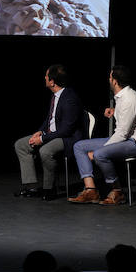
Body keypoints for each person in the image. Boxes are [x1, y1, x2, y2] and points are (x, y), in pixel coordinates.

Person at [68, 65, 136, 205]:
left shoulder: (130, 98)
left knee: (100, 154)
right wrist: (115, 111)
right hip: (124, 140)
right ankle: (90, 190)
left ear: (115, 81)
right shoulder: (122, 96)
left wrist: (98, 151)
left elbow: (122, 133)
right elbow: (127, 118)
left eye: (110, 77)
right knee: (79, 146)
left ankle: (117, 191)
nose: (109, 79)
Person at [14, 64, 88, 201]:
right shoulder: (55, 96)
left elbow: (66, 130)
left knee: (46, 151)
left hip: (67, 138)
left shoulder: (70, 98)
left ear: (52, 81)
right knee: (21, 145)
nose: (45, 78)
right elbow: (50, 119)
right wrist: (40, 132)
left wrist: (43, 139)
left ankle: (50, 188)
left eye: (47, 76)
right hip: (52, 134)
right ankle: (32, 187)